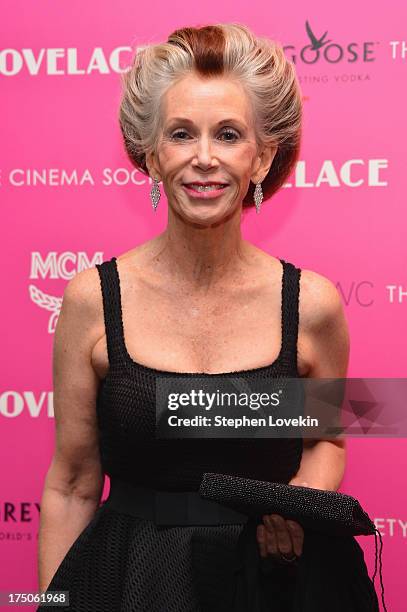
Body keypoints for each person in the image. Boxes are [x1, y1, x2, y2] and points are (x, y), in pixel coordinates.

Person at [37, 22, 349, 611]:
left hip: (267, 584)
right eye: (182, 134)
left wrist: (297, 507)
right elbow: (73, 483)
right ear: (152, 156)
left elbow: (327, 440)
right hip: (126, 584)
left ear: (261, 158)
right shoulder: (92, 300)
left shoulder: (312, 305)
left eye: (228, 135)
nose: (204, 159)